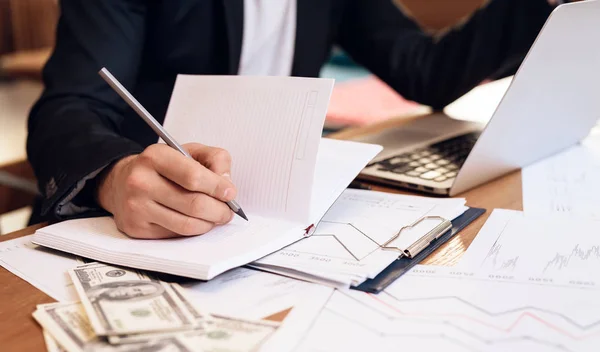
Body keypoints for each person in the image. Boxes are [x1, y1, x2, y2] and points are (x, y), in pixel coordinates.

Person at [27, 0, 563, 239]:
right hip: (140, 227)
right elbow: (68, 108)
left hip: (272, 223)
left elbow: (424, 71)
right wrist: (115, 177)